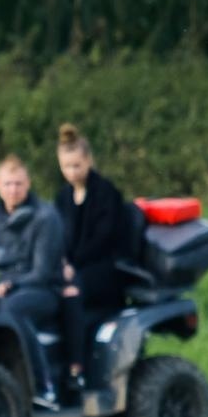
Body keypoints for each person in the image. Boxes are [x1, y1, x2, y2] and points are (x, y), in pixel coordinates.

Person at [0, 156, 66, 408]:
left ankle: (43, 386)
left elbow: (43, 272)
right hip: (6, 288)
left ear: (28, 183)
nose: (13, 190)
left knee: (10, 309)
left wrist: (11, 284)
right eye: (8, 184)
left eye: (18, 184)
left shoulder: (46, 217)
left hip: (43, 290)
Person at [53, 123, 131, 388]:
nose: (72, 172)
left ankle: (76, 368)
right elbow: (57, 236)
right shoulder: (62, 197)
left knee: (72, 292)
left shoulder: (106, 194)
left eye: (76, 165)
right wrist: (61, 261)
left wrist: (72, 265)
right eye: (66, 167)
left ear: (88, 161)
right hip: (71, 266)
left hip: (104, 268)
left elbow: (103, 239)